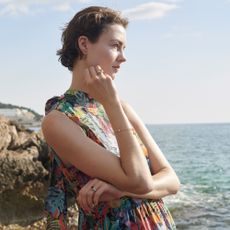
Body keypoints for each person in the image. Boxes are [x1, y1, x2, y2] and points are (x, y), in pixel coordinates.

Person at [42, 6, 180, 230]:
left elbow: (172, 180)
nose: (123, 58)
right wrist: (112, 103)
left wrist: (121, 190)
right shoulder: (59, 120)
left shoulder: (123, 109)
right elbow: (142, 181)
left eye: (123, 48)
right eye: (115, 46)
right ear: (84, 44)